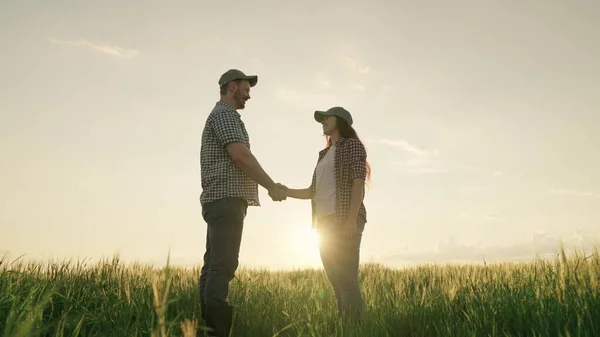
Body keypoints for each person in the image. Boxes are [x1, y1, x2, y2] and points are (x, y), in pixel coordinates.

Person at [198, 69, 287, 336]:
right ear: (232, 87)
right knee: (223, 267)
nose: (249, 96)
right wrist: (271, 186)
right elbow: (241, 156)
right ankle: (218, 330)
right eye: (246, 90)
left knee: (213, 266)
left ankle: (207, 328)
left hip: (220, 200)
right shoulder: (225, 115)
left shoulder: (222, 115)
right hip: (226, 200)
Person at [281, 106, 370, 322]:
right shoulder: (324, 155)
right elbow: (313, 191)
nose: (323, 121)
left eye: (326, 117)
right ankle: (345, 326)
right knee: (335, 280)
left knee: (347, 279)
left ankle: (356, 329)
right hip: (324, 224)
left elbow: (359, 183)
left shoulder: (353, 146)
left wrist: (350, 220)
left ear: (340, 121)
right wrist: (285, 191)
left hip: (344, 219)